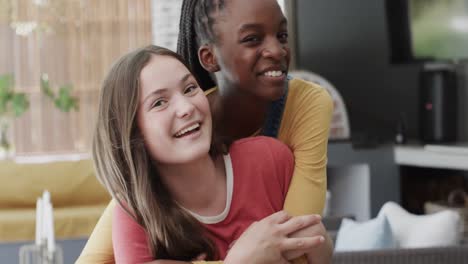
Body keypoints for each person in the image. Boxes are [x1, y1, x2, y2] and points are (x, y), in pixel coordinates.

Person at [77, 0, 334, 262]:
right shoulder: (135, 210)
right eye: (159, 102)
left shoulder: (272, 157)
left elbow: (303, 241)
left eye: (189, 89)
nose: (185, 107)